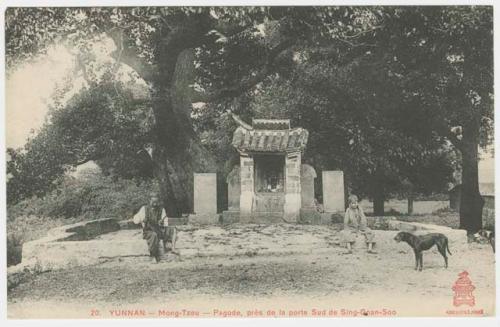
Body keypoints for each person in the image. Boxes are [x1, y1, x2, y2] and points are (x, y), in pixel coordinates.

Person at [133, 194, 177, 263]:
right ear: (149, 200)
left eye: (156, 202)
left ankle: (173, 248)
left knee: (173, 229)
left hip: (159, 229)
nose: (155, 204)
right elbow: (135, 219)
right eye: (153, 201)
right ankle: (152, 256)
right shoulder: (144, 208)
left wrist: (161, 223)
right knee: (154, 235)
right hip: (148, 231)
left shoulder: (161, 209)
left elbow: (165, 222)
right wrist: (141, 220)